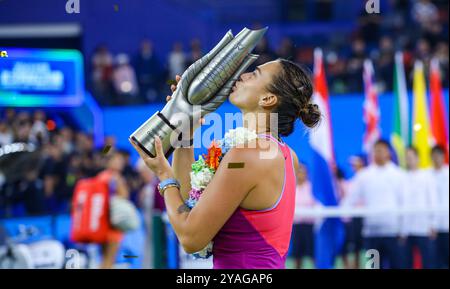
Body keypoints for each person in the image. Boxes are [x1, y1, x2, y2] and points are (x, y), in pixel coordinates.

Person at [131, 58, 320, 269]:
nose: (243, 75)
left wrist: (164, 176)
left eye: (254, 74)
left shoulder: (249, 154)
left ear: (268, 99)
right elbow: (190, 206)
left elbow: (191, 238)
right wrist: (185, 135)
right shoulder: (284, 154)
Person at [342, 140, 406, 269]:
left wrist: (403, 230)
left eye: (381, 150)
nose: (378, 153)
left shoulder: (399, 175)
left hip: (393, 233)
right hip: (371, 234)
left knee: (396, 266)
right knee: (374, 267)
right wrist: (338, 214)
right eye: (376, 150)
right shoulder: (364, 176)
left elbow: (404, 202)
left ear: (388, 153)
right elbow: (350, 199)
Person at [402, 146, 438, 269]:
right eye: (407, 157)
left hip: (424, 228)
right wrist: (401, 228)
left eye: (411, 157)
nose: (409, 160)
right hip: (406, 230)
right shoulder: (402, 177)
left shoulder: (427, 177)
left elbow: (432, 201)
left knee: (427, 263)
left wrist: (433, 224)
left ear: (417, 158)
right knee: (406, 263)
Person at [291, 164, 317, 269]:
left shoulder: (312, 188)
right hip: (296, 226)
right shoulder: (292, 188)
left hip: (309, 226)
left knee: (312, 254)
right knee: (297, 255)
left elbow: (316, 205)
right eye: (299, 171)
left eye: (303, 171)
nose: (301, 174)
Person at [430, 145, 449, 269]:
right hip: (431, 228)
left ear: (444, 156)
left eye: (440, 155)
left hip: (447, 226)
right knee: (433, 261)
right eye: (435, 155)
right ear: (431, 157)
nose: (437, 158)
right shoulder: (425, 175)